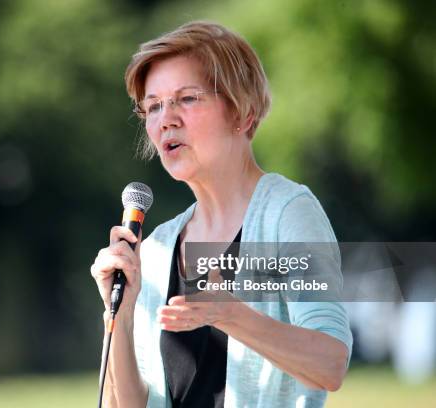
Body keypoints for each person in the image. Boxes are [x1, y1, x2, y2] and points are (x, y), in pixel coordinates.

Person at [90, 21, 352, 408]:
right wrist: (121, 316)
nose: (166, 119)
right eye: (154, 105)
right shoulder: (159, 246)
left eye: (188, 99)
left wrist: (231, 315)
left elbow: (331, 364)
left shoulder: (288, 213)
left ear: (242, 113)